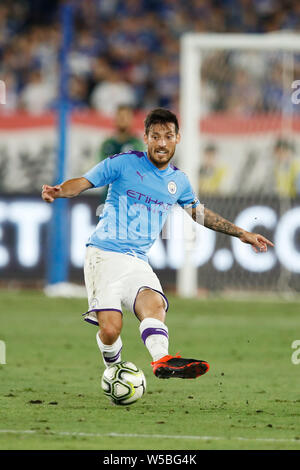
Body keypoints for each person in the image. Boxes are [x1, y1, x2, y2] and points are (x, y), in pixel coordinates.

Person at [41, 108, 273, 380]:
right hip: (103, 255)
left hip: (137, 260)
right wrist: (59, 191)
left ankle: (161, 360)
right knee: (111, 329)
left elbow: (199, 214)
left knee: (154, 304)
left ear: (177, 139)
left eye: (168, 136)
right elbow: (83, 182)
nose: (162, 143)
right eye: (156, 136)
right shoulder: (123, 163)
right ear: (146, 138)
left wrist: (241, 233)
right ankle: (113, 370)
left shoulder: (179, 181)